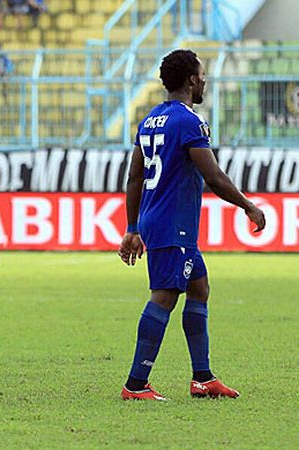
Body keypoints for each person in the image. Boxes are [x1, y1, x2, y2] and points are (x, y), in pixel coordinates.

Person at [118, 49, 266, 400]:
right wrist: (247, 205)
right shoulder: (189, 122)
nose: (205, 81)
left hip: (160, 218)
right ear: (191, 80)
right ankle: (135, 384)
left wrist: (133, 226)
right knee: (165, 296)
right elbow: (212, 175)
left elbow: (134, 176)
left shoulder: (151, 119)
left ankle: (203, 378)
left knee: (199, 287)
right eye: (202, 75)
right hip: (173, 223)